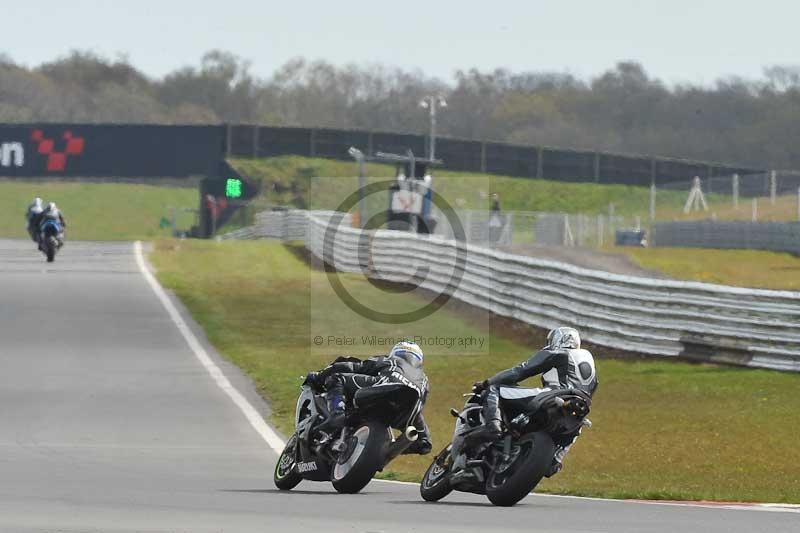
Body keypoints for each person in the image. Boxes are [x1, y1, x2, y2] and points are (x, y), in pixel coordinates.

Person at [470, 327, 598, 476]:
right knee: (577, 427)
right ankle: (555, 460)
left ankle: (492, 427)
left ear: (559, 340)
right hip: (578, 411)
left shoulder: (558, 352)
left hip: (553, 395)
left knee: (494, 390)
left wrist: (487, 383)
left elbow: (520, 371)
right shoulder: (591, 370)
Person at [308, 341, 432, 455]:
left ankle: (337, 414)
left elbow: (350, 367)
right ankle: (384, 452)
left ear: (396, 352)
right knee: (424, 443)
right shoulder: (424, 380)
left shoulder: (390, 360)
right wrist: (423, 441)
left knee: (337, 378)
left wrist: (318, 376)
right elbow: (425, 443)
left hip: (382, 389)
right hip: (407, 410)